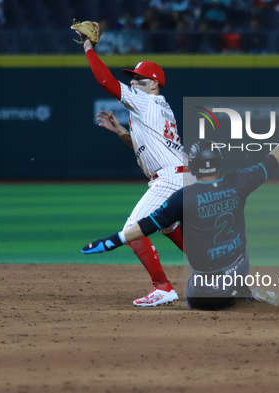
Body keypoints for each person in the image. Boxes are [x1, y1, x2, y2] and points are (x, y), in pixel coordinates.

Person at [81, 122, 279, 310]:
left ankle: (234, 294)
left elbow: (146, 226)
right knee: (234, 259)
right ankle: (242, 291)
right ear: (219, 162)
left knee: (193, 296)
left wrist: (111, 241)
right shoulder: (237, 181)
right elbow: (270, 163)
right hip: (240, 269)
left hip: (206, 296)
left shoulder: (181, 198)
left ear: (192, 168)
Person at [78, 36, 193, 307]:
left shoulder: (147, 102)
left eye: (139, 78)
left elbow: (105, 81)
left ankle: (162, 287)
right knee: (168, 225)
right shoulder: (157, 107)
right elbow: (147, 146)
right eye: (132, 78)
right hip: (181, 174)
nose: (132, 82)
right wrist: (121, 133)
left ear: (153, 84)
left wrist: (88, 48)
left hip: (170, 177)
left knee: (133, 229)